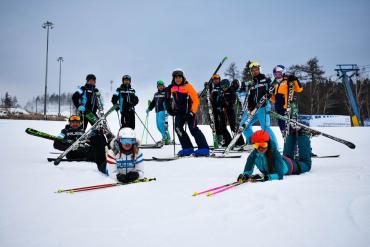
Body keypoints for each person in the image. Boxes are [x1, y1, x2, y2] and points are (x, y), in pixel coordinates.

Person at [237, 129, 312, 182]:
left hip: (293, 166)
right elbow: (248, 169)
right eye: (257, 145)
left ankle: (303, 135)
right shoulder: (254, 154)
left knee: (306, 164)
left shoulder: (275, 154)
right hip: (284, 159)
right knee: (290, 139)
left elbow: (280, 175)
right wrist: (245, 175)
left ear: (268, 144)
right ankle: (292, 134)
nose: (260, 148)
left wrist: (266, 177)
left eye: (263, 145)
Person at [165, 69, 209, 156]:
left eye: (179, 77)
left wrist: (192, 112)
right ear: (173, 79)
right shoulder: (171, 87)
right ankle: (187, 148)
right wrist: (169, 109)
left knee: (193, 129)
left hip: (190, 112)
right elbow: (166, 99)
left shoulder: (188, 86)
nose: (178, 79)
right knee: (178, 129)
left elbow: (196, 101)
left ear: (183, 78)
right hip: (179, 112)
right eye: (176, 77)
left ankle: (204, 148)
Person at [239, 61, 278, 148]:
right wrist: (250, 105)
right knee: (243, 125)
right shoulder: (252, 82)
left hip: (263, 107)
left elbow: (273, 91)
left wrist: (270, 94)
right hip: (253, 109)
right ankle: (252, 142)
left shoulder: (266, 80)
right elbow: (250, 95)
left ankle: (274, 146)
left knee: (265, 127)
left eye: (256, 70)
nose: (254, 72)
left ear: (259, 70)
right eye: (252, 70)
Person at [270, 65, 303, 136]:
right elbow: (273, 99)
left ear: (283, 72)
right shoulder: (274, 83)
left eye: (279, 72)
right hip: (278, 108)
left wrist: (295, 79)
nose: (277, 74)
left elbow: (299, 89)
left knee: (290, 127)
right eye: (275, 73)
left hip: (288, 106)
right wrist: (270, 95)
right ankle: (286, 141)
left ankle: (294, 143)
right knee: (282, 126)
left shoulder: (288, 80)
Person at [221, 79, 245, 147]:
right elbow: (221, 101)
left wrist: (227, 104)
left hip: (230, 110)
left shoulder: (231, 91)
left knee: (233, 126)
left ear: (228, 85)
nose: (224, 88)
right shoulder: (222, 92)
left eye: (225, 86)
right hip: (224, 111)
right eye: (222, 87)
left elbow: (233, 101)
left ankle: (240, 142)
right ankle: (228, 140)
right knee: (222, 127)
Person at [210, 74, 232, 146]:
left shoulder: (222, 86)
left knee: (223, 125)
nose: (215, 80)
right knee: (215, 125)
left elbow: (226, 94)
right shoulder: (212, 88)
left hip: (222, 109)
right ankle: (219, 139)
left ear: (219, 79)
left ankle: (228, 140)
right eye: (214, 79)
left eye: (217, 79)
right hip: (214, 109)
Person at [146, 80, 171, 145]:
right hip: (157, 111)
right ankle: (168, 138)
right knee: (158, 126)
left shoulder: (166, 93)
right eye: (159, 86)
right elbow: (153, 103)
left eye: (161, 86)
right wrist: (149, 109)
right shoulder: (156, 94)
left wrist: (168, 107)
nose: (160, 87)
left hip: (163, 110)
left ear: (163, 86)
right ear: (157, 87)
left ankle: (164, 138)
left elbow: (170, 100)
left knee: (162, 124)